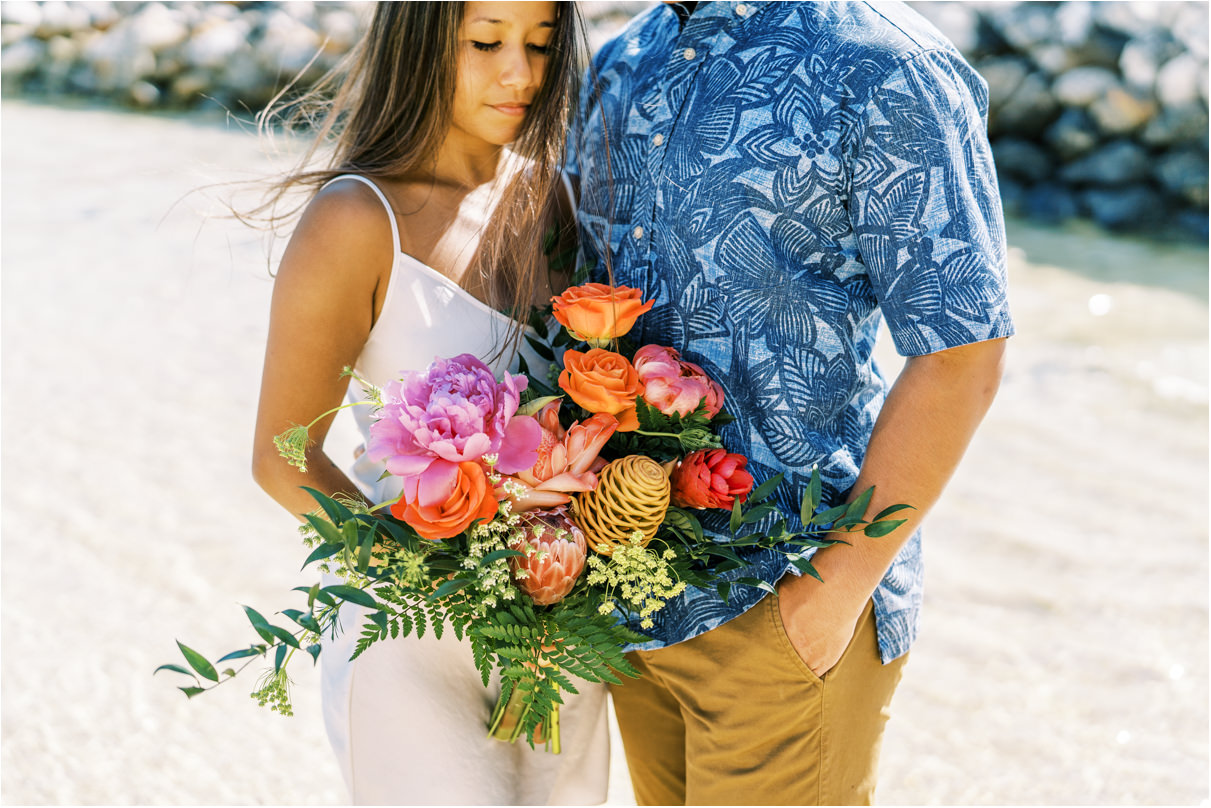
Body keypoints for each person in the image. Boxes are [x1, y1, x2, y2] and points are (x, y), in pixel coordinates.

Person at [568, 1, 1013, 804]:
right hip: (629, 597)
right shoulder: (622, 58)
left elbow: (963, 357)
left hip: (783, 596)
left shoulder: (886, 65)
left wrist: (829, 596)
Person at [249, 3, 609, 804]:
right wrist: (441, 585)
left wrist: (545, 616)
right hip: (407, 634)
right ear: (419, 44)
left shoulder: (557, 206)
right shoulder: (355, 218)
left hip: (558, 643)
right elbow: (283, 459)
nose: (519, 73)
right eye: (485, 43)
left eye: (540, 45)